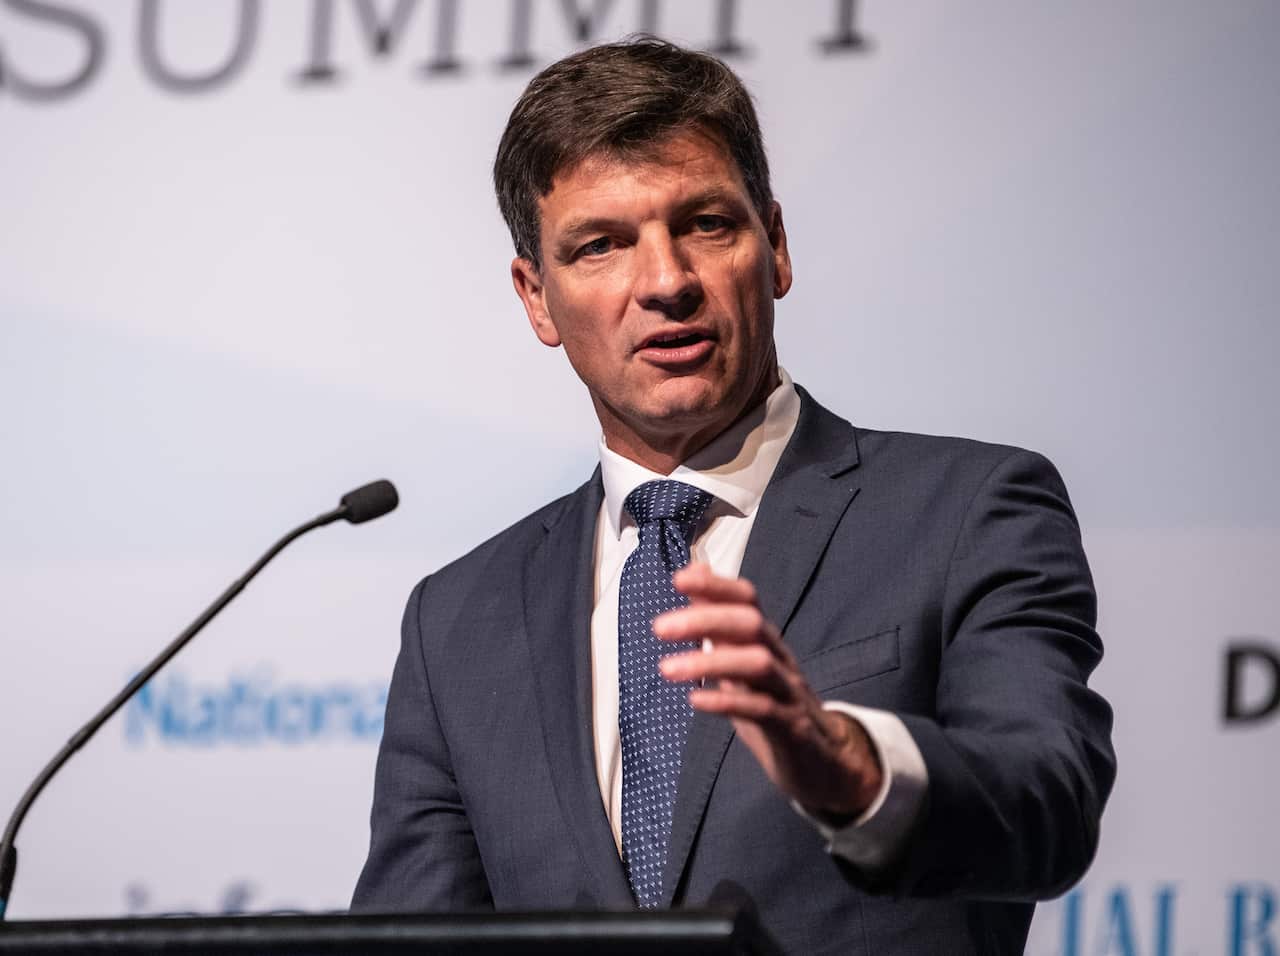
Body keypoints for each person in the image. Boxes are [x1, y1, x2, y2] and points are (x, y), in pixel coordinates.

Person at [351, 38, 1115, 954]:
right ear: (537, 299)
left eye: (707, 224)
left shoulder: (968, 511)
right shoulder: (456, 621)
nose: (666, 282)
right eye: (600, 246)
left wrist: (846, 767)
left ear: (777, 245)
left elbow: (1047, 804)